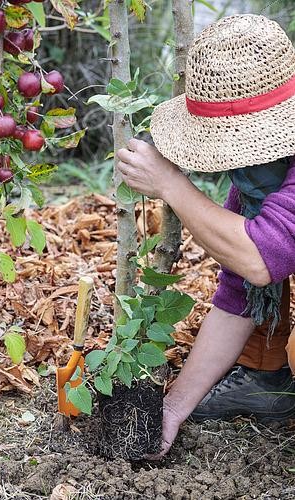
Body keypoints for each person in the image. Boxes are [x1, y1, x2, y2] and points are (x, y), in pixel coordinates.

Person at [117, 14, 295, 457]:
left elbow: (259, 258)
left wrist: (171, 186)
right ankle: (264, 381)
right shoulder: (257, 184)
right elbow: (239, 290)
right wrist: (173, 407)